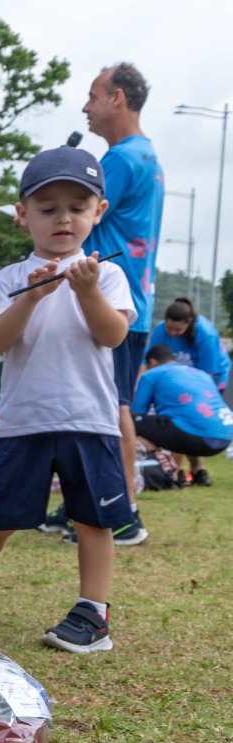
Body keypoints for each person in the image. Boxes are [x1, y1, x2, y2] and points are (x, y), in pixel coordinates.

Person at [0, 146, 135, 654]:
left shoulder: (108, 276)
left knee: (93, 520)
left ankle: (93, 613)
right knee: (1, 515)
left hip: (90, 420)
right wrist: (33, 296)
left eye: (78, 207)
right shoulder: (10, 280)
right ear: (23, 216)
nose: (64, 218)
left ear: (98, 213)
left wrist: (86, 292)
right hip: (23, 422)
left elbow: (113, 335)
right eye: (48, 207)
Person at [80, 62, 163, 547]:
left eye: (92, 95)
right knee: (108, 403)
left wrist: (36, 215)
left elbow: (76, 206)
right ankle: (86, 503)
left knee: (112, 406)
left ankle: (124, 513)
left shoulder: (119, 159)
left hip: (110, 299)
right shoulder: (148, 155)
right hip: (134, 299)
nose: (85, 107)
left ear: (117, 98)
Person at [132, 343, 232, 486]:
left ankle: (169, 470)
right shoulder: (199, 373)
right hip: (224, 436)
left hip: (193, 435)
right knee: (186, 421)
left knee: (133, 424)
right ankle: (199, 472)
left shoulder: (151, 374)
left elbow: (137, 412)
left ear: (152, 362)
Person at [150, 298, 229, 386]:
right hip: (180, 376)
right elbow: (147, 362)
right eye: (169, 328)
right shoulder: (160, 329)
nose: (172, 332)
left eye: (178, 330)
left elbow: (207, 375)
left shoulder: (206, 335)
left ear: (188, 323)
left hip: (212, 375)